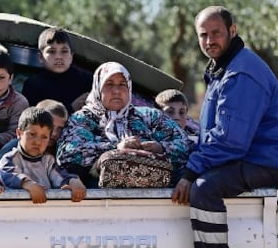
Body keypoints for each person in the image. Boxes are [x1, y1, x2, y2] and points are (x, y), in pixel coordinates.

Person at [171, 6, 278, 248]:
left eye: (216, 33)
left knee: (204, 188)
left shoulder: (241, 74)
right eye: (203, 35)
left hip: (265, 161)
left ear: (232, 31)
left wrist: (192, 170)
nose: (209, 40)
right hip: (246, 155)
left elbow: (231, 140)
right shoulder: (222, 68)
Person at [56, 61, 189, 187]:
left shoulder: (150, 116)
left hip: (156, 196)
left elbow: (184, 143)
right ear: (98, 87)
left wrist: (161, 147)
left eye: (122, 84)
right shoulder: (82, 119)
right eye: (109, 84)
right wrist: (117, 148)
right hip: (98, 196)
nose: (116, 91)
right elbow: (68, 154)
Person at [0, 106, 87, 203]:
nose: (38, 142)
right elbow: (8, 175)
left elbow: (60, 175)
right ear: (19, 133)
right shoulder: (10, 159)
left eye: (44, 137)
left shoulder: (49, 160)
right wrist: (27, 184)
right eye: (32, 134)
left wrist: (73, 181)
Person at [21, 27, 91, 112]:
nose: (58, 57)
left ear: (71, 56)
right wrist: (71, 108)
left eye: (64, 51)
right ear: (40, 57)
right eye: (52, 51)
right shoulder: (33, 85)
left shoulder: (87, 80)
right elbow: (32, 117)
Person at [0, 98, 69, 162]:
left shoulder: (60, 150)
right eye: (51, 126)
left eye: (60, 129)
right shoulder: (18, 145)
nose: (54, 133)